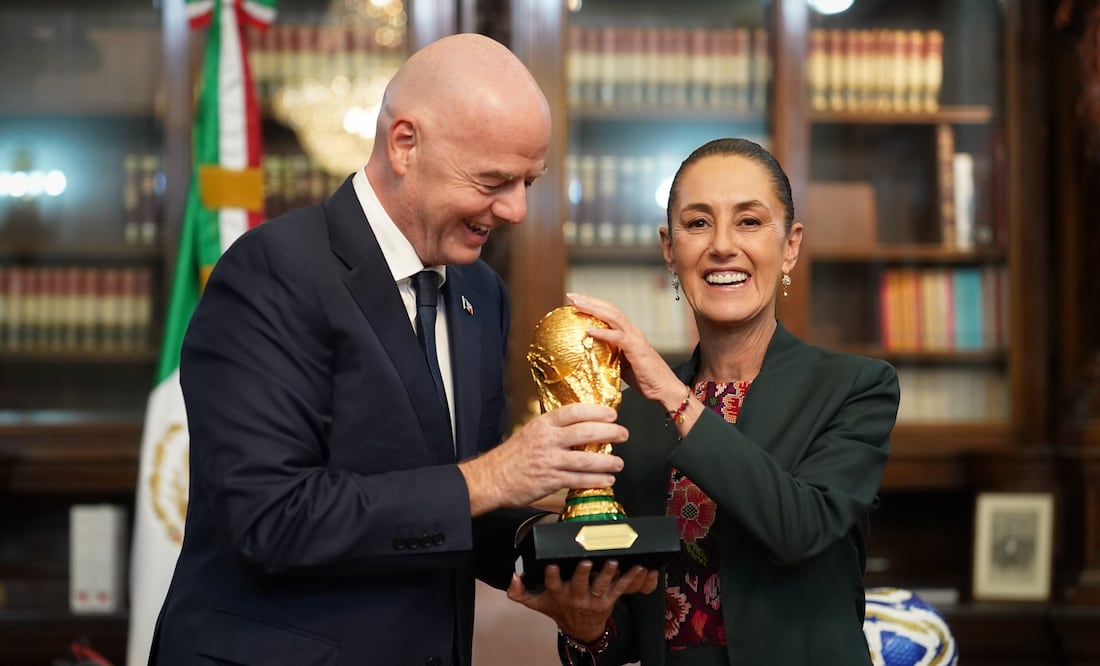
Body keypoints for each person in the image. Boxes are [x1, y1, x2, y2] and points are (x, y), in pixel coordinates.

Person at [148, 33, 655, 666]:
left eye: (529, 180)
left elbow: (455, 501)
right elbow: (269, 520)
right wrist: (497, 474)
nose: (518, 209)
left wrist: (552, 555)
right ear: (405, 144)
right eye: (494, 179)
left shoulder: (480, 292)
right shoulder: (271, 271)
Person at [508, 137, 901, 665]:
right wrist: (587, 628)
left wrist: (674, 396)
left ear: (790, 245)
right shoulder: (630, 419)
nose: (721, 246)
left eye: (749, 222)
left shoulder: (855, 387)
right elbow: (626, 623)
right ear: (670, 249)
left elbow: (800, 528)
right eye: (697, 224)